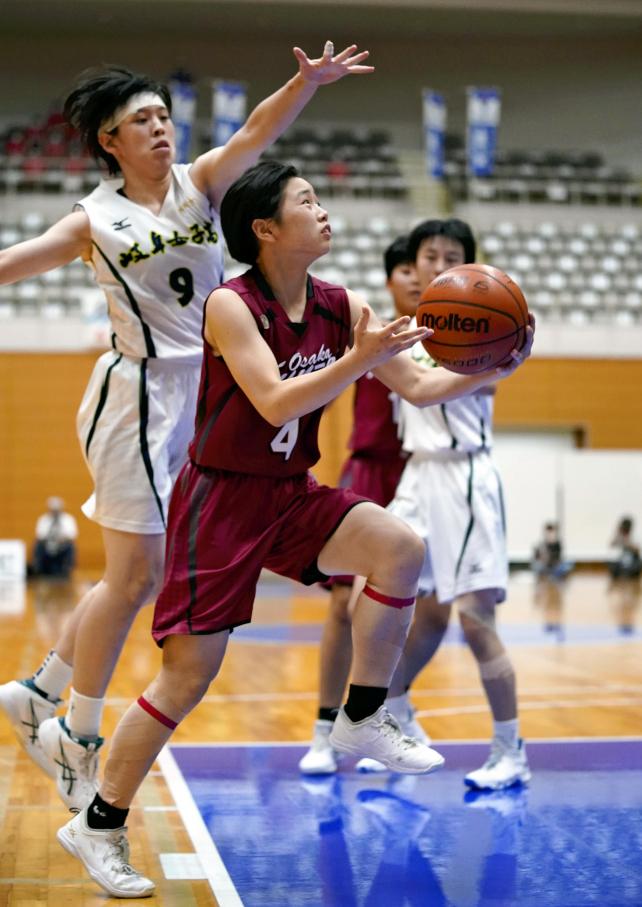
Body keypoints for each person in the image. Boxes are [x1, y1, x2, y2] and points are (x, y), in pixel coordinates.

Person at [55, 161, 533, 898]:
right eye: (307, 201)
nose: (324, 210)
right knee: (187, 678)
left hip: (289, 493)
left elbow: (421, 384)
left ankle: (363, 715)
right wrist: (358, 360)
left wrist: (494, 362)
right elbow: (275, 403)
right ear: (266, 228)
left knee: (399, 547)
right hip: (218, 504)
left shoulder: (341, 303)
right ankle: (98, 820)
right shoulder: (229, 304)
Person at [0, 40, 377, 810]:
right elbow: (16, 261)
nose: (161, 128)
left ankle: (39, 690)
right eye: (143, 120)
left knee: (143, 575)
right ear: (111, 140)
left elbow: (255, 137)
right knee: (134, 574)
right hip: (139, 396)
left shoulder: (199, 185)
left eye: (166, 115)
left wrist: (304, 84)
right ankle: (76, 731)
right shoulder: (92, 220)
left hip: (204, 391)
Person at [355, 218, 532, 790]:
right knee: (402, 609)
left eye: (451, 255)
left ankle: (511, 749)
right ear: (415, 263)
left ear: (470, 270)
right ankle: (396, 717)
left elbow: (491, 378)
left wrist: (506, 358)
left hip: (465, 476)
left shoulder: (483, 328)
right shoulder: (402, 332)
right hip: (416, 475)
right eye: (429, 254)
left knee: (476, 621)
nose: (437, 264)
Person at [299, 235, 420, 774]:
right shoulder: (368, 330)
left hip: (420, 474)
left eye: (429, 266)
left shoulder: (456, 340)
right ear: (390, 279)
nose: (417, 277)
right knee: (343, 607)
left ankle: (388, 714)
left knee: (412, 608)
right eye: (405, 269)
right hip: (371, 470)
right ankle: (326, 728)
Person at [29, 497, 78, 579]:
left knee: (71, 546)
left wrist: (61, 539)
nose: (55, 512)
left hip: (63, 546)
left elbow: (72, 535)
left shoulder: (68, 519)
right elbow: (39, 535)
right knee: (37, 545)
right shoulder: (43, 519)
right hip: (46, 545)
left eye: (57, 510)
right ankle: (38, 568)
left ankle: (67, 569)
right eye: (53, 510)